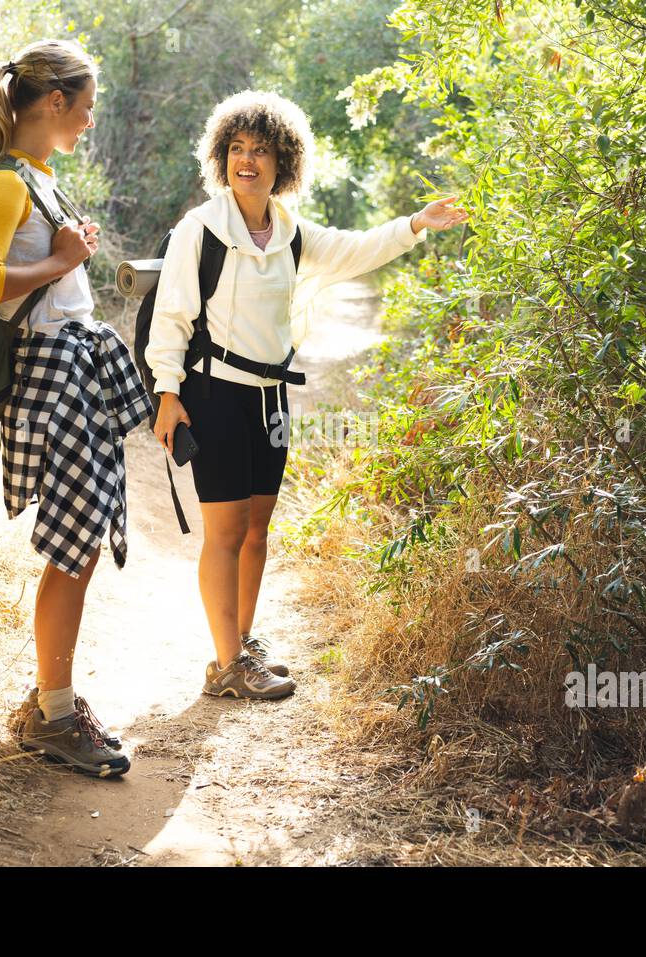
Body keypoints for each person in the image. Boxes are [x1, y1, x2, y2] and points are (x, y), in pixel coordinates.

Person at [146, 90, 469, 700]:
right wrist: (167, 393)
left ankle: (242, 642)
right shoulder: (201, 229)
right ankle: (225, 665)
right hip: (213, 394)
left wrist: (416, 224)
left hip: (270, 400)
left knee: (257, 532)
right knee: (224, 532)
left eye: (261, 150)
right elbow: (172, 316)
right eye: (236, 149)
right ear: (221, 157)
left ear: (282, 162)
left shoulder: (289, 229)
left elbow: (353, 249)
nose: (248, 161)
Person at [0, 39, 151, 776]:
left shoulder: (35, 177)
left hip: (72, 364)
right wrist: (62, 262)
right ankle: (55, 711)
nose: (91, 122)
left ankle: (54, 700)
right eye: (87, 107)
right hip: (53, 368)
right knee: (75, 544)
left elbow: (32, 274)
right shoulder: (6, 182)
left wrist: (65, 257)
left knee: (85, 539)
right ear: (53, 103)